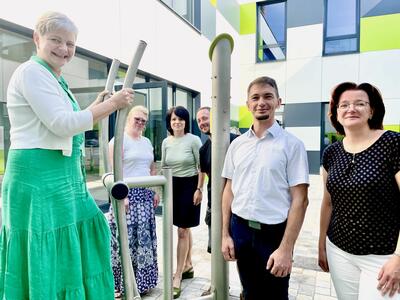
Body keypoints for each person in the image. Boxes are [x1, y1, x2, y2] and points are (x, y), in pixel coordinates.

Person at [0, 11, 134, 299]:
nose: (64, 49)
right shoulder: (31, 72)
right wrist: (110, 105)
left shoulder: (54, 78)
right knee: (44, 249)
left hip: (63, 178)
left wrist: (97, 104)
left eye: (70, 44)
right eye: (56, 40)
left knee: (84, 230)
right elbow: (61, 124)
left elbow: (67, 118)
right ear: (37, 39)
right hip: (38, 177)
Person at [221, 76, 309, 300]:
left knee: (276, 295)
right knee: (249, 292)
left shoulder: (292, 145)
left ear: (278, 102)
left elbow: (300, 200)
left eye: (268, 96)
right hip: (240, 229)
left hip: (273, 234)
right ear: (248, 104)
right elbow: (229, 189)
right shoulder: (237, 145)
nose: (262, 102)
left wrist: (286, 249)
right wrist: (225, 234)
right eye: (255, 97)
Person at [318, 82, 400, 300]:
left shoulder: (392, 143)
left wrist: (399, 258)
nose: (351, 108)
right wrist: (321, 245)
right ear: (336, 113)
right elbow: (327, 203)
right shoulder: (331, 153)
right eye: (344, 105)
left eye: (360, 103)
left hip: (384, 256)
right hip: (338, 250)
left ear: (371, 110)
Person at [108, 105, 159, 298]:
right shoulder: (119, 141)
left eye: (143, 121)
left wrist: (154, 191)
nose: (140, 123)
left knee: (144, 242)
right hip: (126, 197)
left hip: (145, 198)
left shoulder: (146, 142)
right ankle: (119, 285)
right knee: (123, 242)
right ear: (128, 118)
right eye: (137, 118)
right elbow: (113, 172)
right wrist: (123, 197)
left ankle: (143, 283)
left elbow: (151, 168)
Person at [196, 106, 238, 296]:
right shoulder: (204, 149)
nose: (202, 123)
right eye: (199, 121)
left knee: (241, 247)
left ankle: (246, 289)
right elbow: (205, 174)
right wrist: (199, 190)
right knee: (216, 246)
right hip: (215, 203)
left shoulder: (236, 141)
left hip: (238, 203)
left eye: (205, 118)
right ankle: (217, 284)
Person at [161, 106, 202, 298]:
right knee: (184, 229)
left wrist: (199, 189)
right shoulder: (166, 142)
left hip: (189, 186)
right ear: (169, 122)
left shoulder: (194, 140)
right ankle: (188, 265)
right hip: (172, 186)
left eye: (181, 119)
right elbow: (163, 166)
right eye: (174, 119)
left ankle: (177, 275)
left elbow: (201, 167)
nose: (177, 122)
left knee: (182, 230)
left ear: (186, 122)